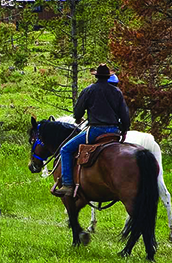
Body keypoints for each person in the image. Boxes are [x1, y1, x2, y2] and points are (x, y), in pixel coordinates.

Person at [54, 64, 130, 197]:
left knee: (65, 150)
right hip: (114, 131)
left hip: (95, 131)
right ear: (108, 77)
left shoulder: (89, 90)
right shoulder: (117, 92)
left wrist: (78, 118)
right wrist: (123, 131)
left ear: (96, 76)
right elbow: (125, 115)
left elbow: (77, 112)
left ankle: (67, 185)